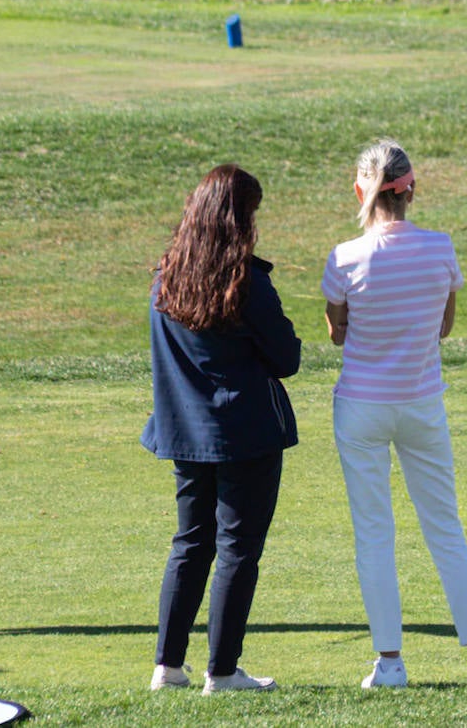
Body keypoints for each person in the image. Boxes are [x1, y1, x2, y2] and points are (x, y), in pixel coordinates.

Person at [322, 140, 467, 689]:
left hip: (361, 406)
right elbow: (443, 327)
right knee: (445, 529)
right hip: (421, 403)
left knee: (374, 534)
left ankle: (389, 664)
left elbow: (337, 334)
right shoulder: (440, 248)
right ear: (411, 191)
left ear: (361, 190)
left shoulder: (344, 258)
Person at [142, 164, 300, 695]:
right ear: (239, 219)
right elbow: (286, 357)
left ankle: (168, 665)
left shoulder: (166, 275)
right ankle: (223, 671)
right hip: (245, 432)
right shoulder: (246, 280)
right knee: (236, 549)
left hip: (186, 431)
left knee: (190, 542)